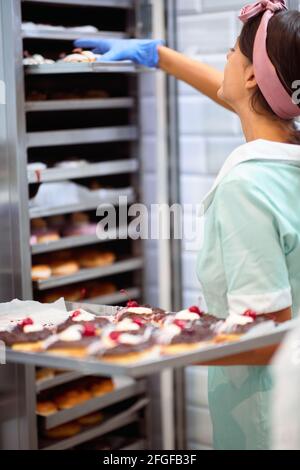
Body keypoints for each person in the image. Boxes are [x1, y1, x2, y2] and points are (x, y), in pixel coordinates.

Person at [76, 0, 300, 450]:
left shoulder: (246, 186)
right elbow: (256, 98)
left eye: (232, 51)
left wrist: (152, 342)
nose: (225, 58)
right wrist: (159, 56)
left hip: (264, 419)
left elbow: (269, 336)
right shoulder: (286, 160)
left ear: (253, 74)